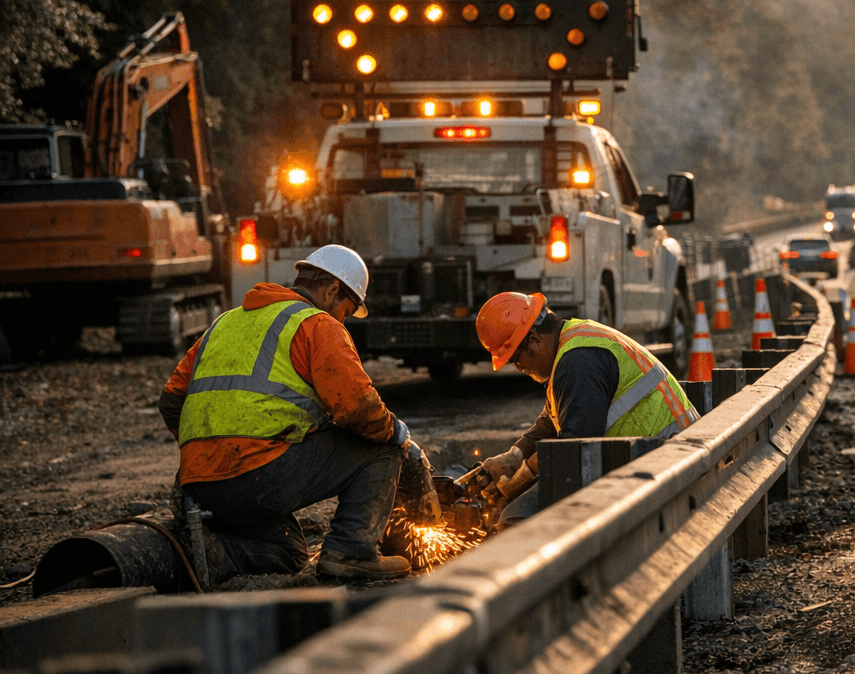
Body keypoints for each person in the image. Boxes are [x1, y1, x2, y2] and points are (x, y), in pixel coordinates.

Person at [158, 245, 414, 581]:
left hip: (200, 488)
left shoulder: (223, 323)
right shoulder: (317, 325)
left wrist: (207, 451)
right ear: (332, 289)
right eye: (346, 310)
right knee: (381, 450)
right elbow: (357, 407)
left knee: (290, 552)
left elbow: (171, 401)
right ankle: (351, 553)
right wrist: (397, 432)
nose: (343, 319)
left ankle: (215, 553)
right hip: (256, 479)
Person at [471, 292, 699, 521]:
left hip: (668, 463)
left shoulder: (577, 362)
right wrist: (514, 455)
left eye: (516, 360)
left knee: (518, 516)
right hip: (660, 456)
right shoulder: (572, 343)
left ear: (535, 341)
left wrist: (522, 478)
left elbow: (573, 447)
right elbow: (552, 421)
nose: (520, 368)